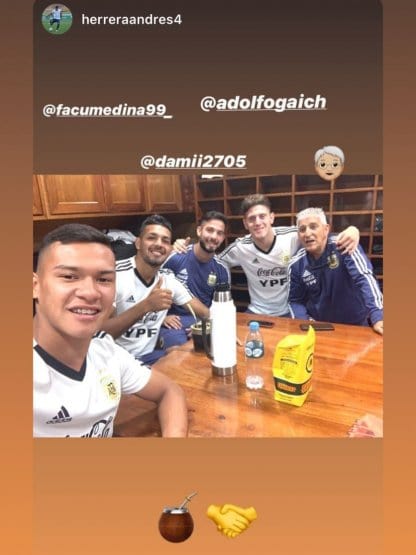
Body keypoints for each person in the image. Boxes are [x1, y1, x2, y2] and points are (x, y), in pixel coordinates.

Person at [33, 223, 188, 438]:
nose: (90, 293)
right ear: (35, 286)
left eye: (103, 279)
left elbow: (169, 391)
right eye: (69, 276)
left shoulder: (106, 352)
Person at [194, 194, 358, 317]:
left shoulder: (292, 236)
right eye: (252, 219)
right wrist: (184, 248)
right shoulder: (240, 247)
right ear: (245, 223)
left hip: (290, 310)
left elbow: (320, 237)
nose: (258, 222)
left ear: (272, 218)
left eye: (262, 216)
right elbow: (215, 261)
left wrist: (353, 230)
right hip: (256, 311)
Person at [102, 214, 209, 365]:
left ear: (170, 248)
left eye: (165, 240)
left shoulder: (167, 280)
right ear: (138, 243)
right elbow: (99, 333)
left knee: (184, 357)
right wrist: (146, 306)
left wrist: (211, 328)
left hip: (148, 357)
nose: (159, 244)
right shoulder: (114, 276)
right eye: (152, 238)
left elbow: (205, 312)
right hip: (114, 362)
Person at [288, 207, 383, 334]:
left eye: (313, 227)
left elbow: (364, 277)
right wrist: (304, 323)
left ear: (326, 229)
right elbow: (295, 300)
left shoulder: (344, 245)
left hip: (356, 325)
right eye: (302, 229)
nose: (307, 233)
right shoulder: (296, 263)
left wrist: (378, 315)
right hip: (320, 327)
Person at [160, 211, 230, 348]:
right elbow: (152, 289)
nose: (214, 236)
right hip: (174, 321)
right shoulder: (176, 257)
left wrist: (207, 325)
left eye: (219, 233)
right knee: (179, 351)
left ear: (223, 238)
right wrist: (161, 318)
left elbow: (221, 306)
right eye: (210, 230)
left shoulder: (221, 269)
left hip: (204, 320)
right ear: (199, 231)